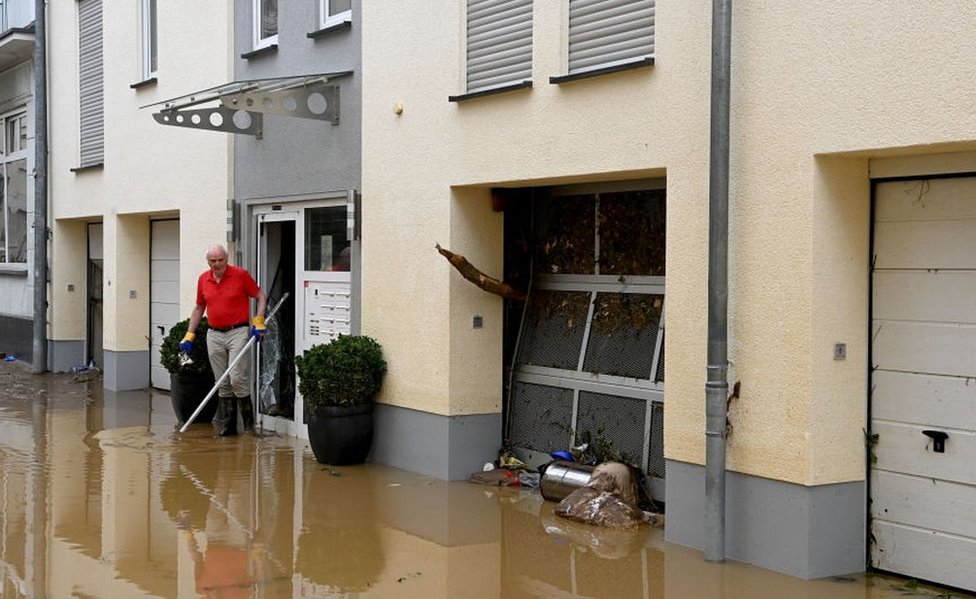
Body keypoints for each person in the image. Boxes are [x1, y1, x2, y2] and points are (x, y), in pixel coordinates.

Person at [180, 244, 267, 436]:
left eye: (220, 260)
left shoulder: (240, 275)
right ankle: (229, 427)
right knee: (222, 382)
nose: (217, 264)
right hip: (214, 334)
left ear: (226, 259)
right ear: (208, 261)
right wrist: (189, 334)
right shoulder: (204, 279)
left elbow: (260, 296)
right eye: (213, 261)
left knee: (237, 378)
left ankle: (250, 428)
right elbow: (199, 307)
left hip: (238, 332)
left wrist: (258, 321)